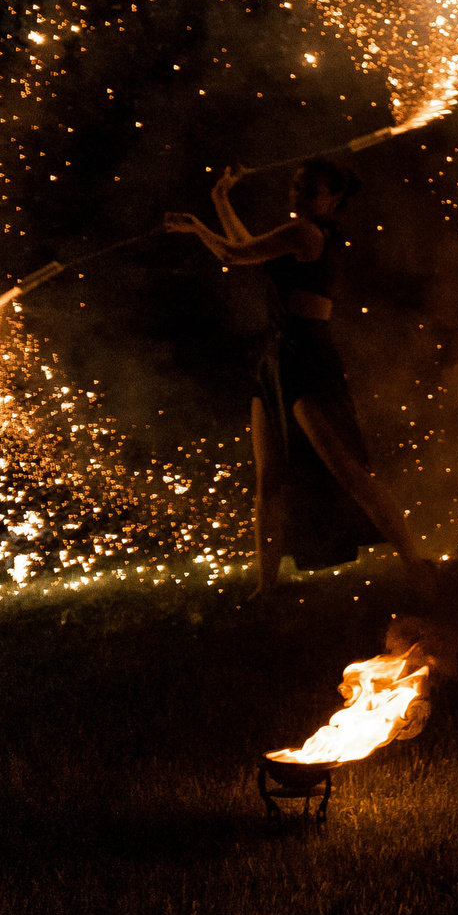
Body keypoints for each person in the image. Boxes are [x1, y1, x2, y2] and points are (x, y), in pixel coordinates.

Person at [165, 159, 437, 601]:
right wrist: (220, 198)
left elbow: (233, 255)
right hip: (276, 357)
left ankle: (416, 566)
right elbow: (246, 247)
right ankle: (266, 588)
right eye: (295, 187)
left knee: (350, 472)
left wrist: (197, 227)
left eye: (310, 191)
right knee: (268, 482)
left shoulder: (308, 234)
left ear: (334, 199)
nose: (297, 197)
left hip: (308, 358)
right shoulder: (295, 233)